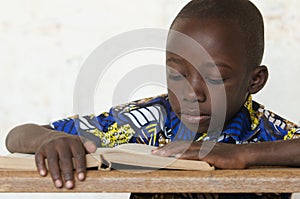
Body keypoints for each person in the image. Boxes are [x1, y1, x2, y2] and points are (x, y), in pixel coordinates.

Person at [5, 0, 300, 198]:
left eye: (215, 78)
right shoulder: (145, 122)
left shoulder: (268, 132)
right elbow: (16, 136)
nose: (191, 94)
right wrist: (47, 141)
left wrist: (243, 154)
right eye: (177, 73)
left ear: (255, 81)